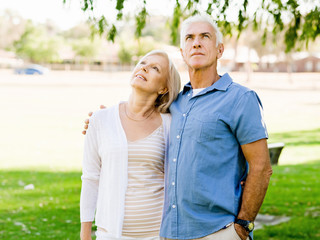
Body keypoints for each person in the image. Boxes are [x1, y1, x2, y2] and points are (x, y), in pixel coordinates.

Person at [83, 14, 272, 240]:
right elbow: (141, 112)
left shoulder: (241, 99)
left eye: (205, 37)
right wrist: (104, 120)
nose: (196, 43)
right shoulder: (177, 104)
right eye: (190, 38)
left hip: (220, 231)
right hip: (172, 232)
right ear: (183, 52)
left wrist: (243, 224)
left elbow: (261, 167)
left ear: (220, 50)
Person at [80, 50, 181, 240]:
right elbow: (91, 178)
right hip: (110, 235)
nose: (144, 67)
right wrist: (85, 235)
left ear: (164, 88)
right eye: (142, 62)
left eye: (154, 68)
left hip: (158, 235)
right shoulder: (100, 119)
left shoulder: (170, 124)